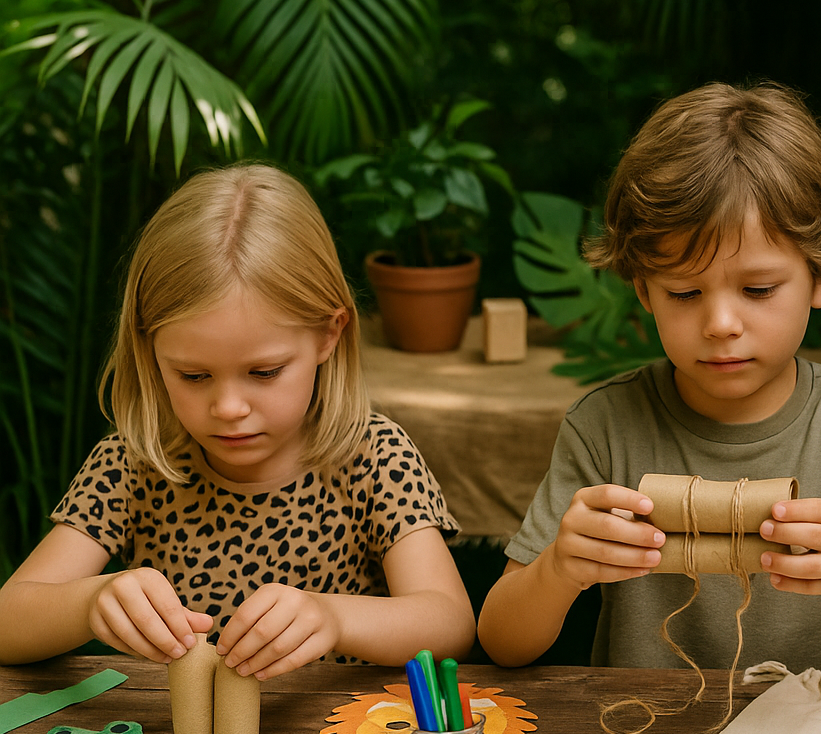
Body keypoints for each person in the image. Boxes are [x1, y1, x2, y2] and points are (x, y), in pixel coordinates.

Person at [477, 82, 821, 684]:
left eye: (758, 290)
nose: (721, 325)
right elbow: (502, 643)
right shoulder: (603, 426)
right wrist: (557, 570)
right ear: (642, 289)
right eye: (684, 292)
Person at [0, 164, 475, 677]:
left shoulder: (374, 457)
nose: (228, 408)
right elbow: (8, 623)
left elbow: (450, 627)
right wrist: (88, 603)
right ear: (149, 349)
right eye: (194, 375)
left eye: (264, 372)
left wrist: (334, 617)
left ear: (328, 335)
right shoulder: (134, 463)